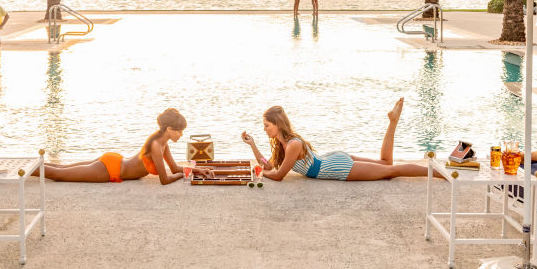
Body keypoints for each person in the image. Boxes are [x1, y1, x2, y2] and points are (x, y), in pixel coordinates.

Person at [241, 100, 440, 181]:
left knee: (391, 170)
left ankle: (439, 174)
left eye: (267, 125)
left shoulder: (293, 144)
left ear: (277, 124)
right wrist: (253, 145)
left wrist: (258, 172)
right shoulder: (284, 144)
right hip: (331, 160)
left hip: (336, 168)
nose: (264, 129)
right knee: (386, 163)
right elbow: (269, 166)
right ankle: (393, 121)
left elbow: (277, 175)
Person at [36, 108, 214, 184]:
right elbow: (165, 179)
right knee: (59, 174)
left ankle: (28, 167)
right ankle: (26, 169)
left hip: (114, 161)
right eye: (179, 131)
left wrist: (197, 170)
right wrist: (185, 176)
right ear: (169, 129)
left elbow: (174, 168)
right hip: (109, 169)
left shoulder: (163, 143)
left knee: (61, 168)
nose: (181, 135)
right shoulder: (155, 146)